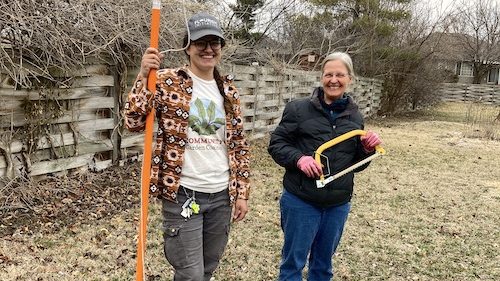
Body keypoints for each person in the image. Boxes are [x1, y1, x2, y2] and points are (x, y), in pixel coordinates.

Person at [124, 12, 250, 281]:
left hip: (221, 195)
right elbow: (133, 121)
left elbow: (239, 144)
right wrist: (143, 74)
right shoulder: (167, 80)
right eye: (200, 42)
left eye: (214, 42)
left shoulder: (229, 90)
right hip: (182, 193)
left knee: (206, 269)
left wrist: (242, 192)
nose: (208, 49)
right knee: (190, 274)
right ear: (188, 47)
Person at [268, 52, 382, 281]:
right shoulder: (298, 109)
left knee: (322, 267)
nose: (333, 80)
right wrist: (299, 159)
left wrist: (367, 150)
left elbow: (356, 165)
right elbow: (277, 144)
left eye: (340, 74)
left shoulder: (355, 117)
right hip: (301, 200)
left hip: (337, 204)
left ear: (350, 78)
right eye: (328, 74)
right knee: (292, 265)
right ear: (321, 77)